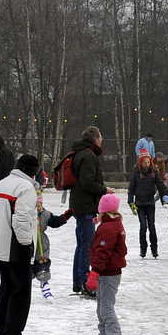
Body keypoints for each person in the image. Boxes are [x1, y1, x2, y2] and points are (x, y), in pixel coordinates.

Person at [0, 153, 40, 335]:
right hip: (16, 246)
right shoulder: (25, 188)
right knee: (20, 292)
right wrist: (26, 244)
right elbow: (22, 219)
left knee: (6, 289)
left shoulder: (0, 184)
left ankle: (1, 333)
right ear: (32, 172)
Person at [65, 126, 108, 295]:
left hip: (80, 204)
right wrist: (104, 190)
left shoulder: (81, 153)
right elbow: (87, 182)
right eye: (101, 137)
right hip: (85, 206)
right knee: (87, 245)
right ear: (95, 139)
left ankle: (78, 281)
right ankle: (84, 282)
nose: (102, 141)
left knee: (82, 244)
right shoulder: (88, 156)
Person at [88, 193, 128, 335]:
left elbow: (102, 251)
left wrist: (95, 271)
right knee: (101, 307)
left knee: (106, 307)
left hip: (107, 273)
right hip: (109, 272)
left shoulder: (108, 228)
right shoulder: (114, 224)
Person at [126, 154, 168, 258]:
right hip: (139, 204)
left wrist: (167, 195)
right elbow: (131, 188)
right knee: (143, 226)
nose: (147, 164)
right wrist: (131, 203)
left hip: (150, 203)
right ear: (141, 163)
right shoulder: (136, 173)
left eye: (148, 162)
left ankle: (154, 249)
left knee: (152, 226)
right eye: (145, 162)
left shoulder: (154, 172)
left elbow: (161, 185)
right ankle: (143, 249)